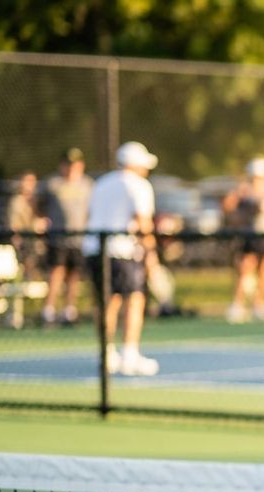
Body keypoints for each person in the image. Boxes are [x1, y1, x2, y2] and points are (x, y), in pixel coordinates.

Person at [83, 141, 160, 376]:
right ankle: (130, 355)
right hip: (123, 251)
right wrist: (151, 255)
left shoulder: (101, 184)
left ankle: (107, 354)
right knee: (134, 299)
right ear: (135, 164)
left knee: (108, 302)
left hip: (94, 249)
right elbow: (143, 223)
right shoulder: (139, 185)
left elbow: (91, 215)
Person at [222, 155, 264, 323]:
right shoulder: (243, 190)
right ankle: (238, 305)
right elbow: (228, 208)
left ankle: (260, 304)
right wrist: (244, 213)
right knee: (245, 267)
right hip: (249, 236)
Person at [40, 148, 93, 326]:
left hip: (79, 238)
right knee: (56, 272)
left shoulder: (87, 185)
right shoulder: (53, 184)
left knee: (74, 274)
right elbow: (38, 206)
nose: (71, 168)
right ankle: (49, 310)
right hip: (58, 237)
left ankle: (69, 310)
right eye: (68, 164)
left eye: (75, 164)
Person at [5, 171, 47, 280]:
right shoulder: (16, 201)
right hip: (24, 238)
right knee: (27, 261)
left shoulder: (39, 199)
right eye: (27, 181)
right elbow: (14, 223)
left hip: (39, 238)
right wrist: (16, 236)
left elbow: (43, 218)